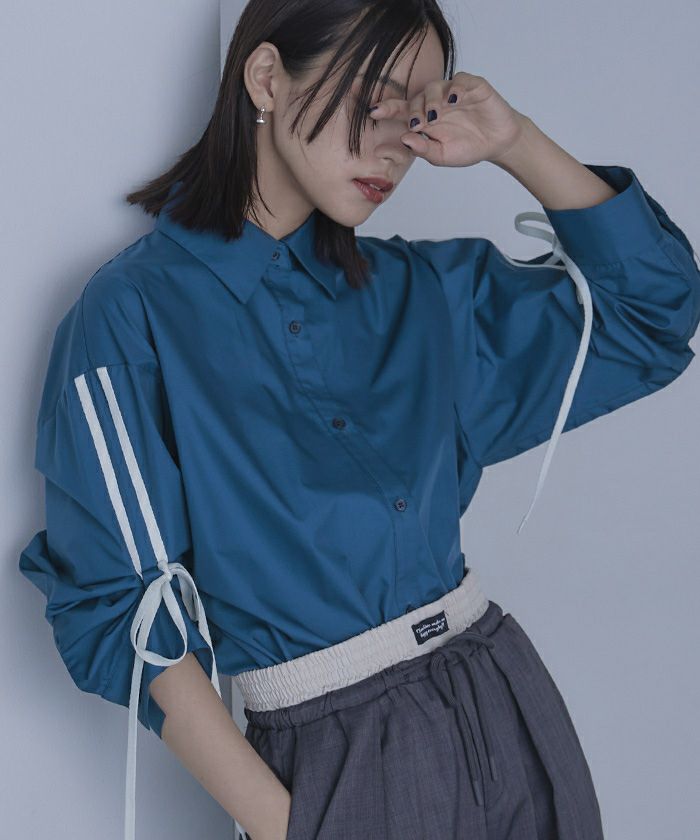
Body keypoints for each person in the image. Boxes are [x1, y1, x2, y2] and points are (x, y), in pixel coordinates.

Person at [18, 1, 700, 838]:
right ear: (266, 78)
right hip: (334, 764)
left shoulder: (423, 296)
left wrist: (515, 141)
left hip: (506, 705)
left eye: (419, 112)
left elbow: (652, 315)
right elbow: (119, 609)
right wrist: (289, 824)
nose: (397, 143)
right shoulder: (134, 316)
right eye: (376, 98)